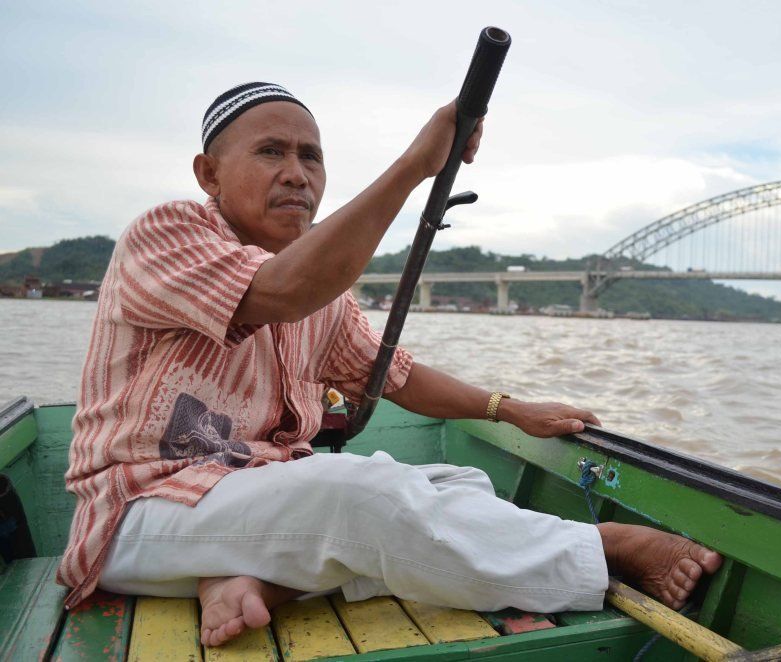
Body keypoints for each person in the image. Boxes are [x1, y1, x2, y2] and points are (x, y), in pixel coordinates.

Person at [59, 82, 721, 647]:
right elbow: (284, 290)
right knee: (362, 495)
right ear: (209, 174)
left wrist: (508, 408)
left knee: (461, 481)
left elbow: (392, 373)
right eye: (271, 152)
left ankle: (258, 577)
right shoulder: (168, 234)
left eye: (311, 157)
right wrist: (415, 167)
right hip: (140, 513)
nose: (298, 173)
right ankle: (601, 550)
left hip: (249, 499)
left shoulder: (324, 291)